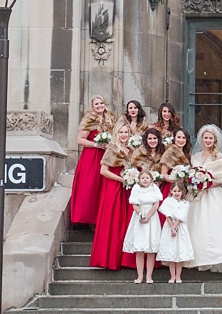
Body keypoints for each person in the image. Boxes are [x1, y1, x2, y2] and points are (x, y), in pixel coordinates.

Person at [183, 124, 222, 272]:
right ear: (202, 139)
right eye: (205, 137)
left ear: (215, 140)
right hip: (195, 196)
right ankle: (195, 257)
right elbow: (190, 176)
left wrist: (205, 184)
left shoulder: (220, 157)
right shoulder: (195, 156)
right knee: (195, 225)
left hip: (213, 194)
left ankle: (216, 257)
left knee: (214, 226)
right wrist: (195, 183)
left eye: (211, 138)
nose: (208, 140)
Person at [89, 123, 135, 270]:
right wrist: (122, 180)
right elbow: (103, 170)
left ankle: (125, 259)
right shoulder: (112, 148)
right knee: (114, 222)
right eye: (121, 132)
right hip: (114, 188)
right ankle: (109, 259)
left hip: (127, 189)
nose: (123, 135)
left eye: (126, 132)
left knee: (125, 223)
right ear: (116, 133)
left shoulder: (131, 150)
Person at [69, 95, 114, 225]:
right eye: (96, 104)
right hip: (92, 155)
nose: (99, 105)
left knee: (104, 186)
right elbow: (80, 140)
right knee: (91, 185)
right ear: (92, 107)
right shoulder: (89, 120)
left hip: (106, 155)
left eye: (101, 103)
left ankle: (103, 217)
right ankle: (88, 219)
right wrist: (96, 145)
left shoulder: (110, 119)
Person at [123, 168, 162, 284]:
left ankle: (149, 276)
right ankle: (139, 276)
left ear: (151, 179)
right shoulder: (136, 189)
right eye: (143, 178)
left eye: (147, 178)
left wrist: (148, 216)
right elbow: (134, 204)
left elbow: (156, 204)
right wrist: (140, 214)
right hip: (139, 217)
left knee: (150, 250)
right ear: (139, 180)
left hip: (152, 217)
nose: (145, 180)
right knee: (139, 250)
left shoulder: (154, 188)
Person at [156, 182, 195, 284]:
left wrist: (174, 227)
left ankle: (178, 276)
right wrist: (171, 227)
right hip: (169, 227)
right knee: (171, 252)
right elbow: (167, 215)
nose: (176, 193)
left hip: (180, 228)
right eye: (175, 191)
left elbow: (181, 217)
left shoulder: (185, 204)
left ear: (183, 192)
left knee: (179, 251)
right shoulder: (168, 201)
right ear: (171, 191)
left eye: (179, 191)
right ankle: (172, 276)